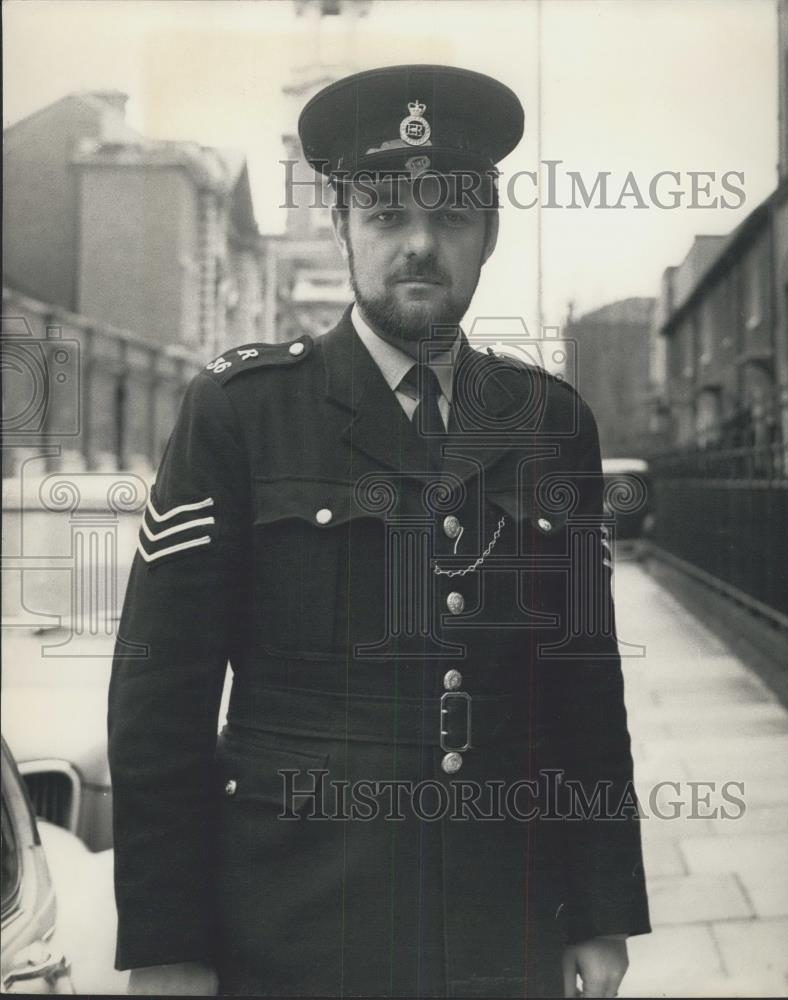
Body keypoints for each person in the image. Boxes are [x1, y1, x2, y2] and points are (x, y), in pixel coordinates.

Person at [108, 64, 650, 998]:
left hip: (501, 919)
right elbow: (162, 697)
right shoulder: (240, 412)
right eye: (388, 214)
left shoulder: (550, 422)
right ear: (341, 227)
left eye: (451, 217)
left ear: (490, 233)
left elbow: (585, 688)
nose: (420, 245)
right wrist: (167, 945)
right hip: (294, 922)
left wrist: (600, 911)